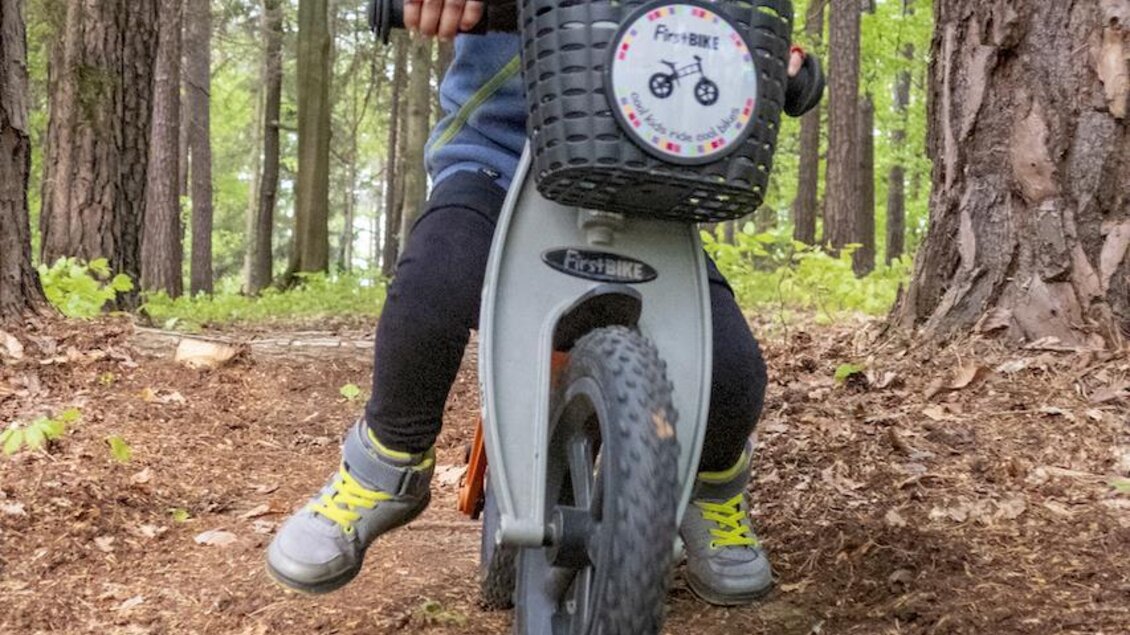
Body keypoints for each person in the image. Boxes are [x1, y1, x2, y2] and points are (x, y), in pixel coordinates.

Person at [266, 0, 824, 606]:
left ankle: (710, 491)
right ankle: (385, 466)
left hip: (648, 181)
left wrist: (772, 59)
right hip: (499, 160)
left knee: (732, 370)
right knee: (435, 281)